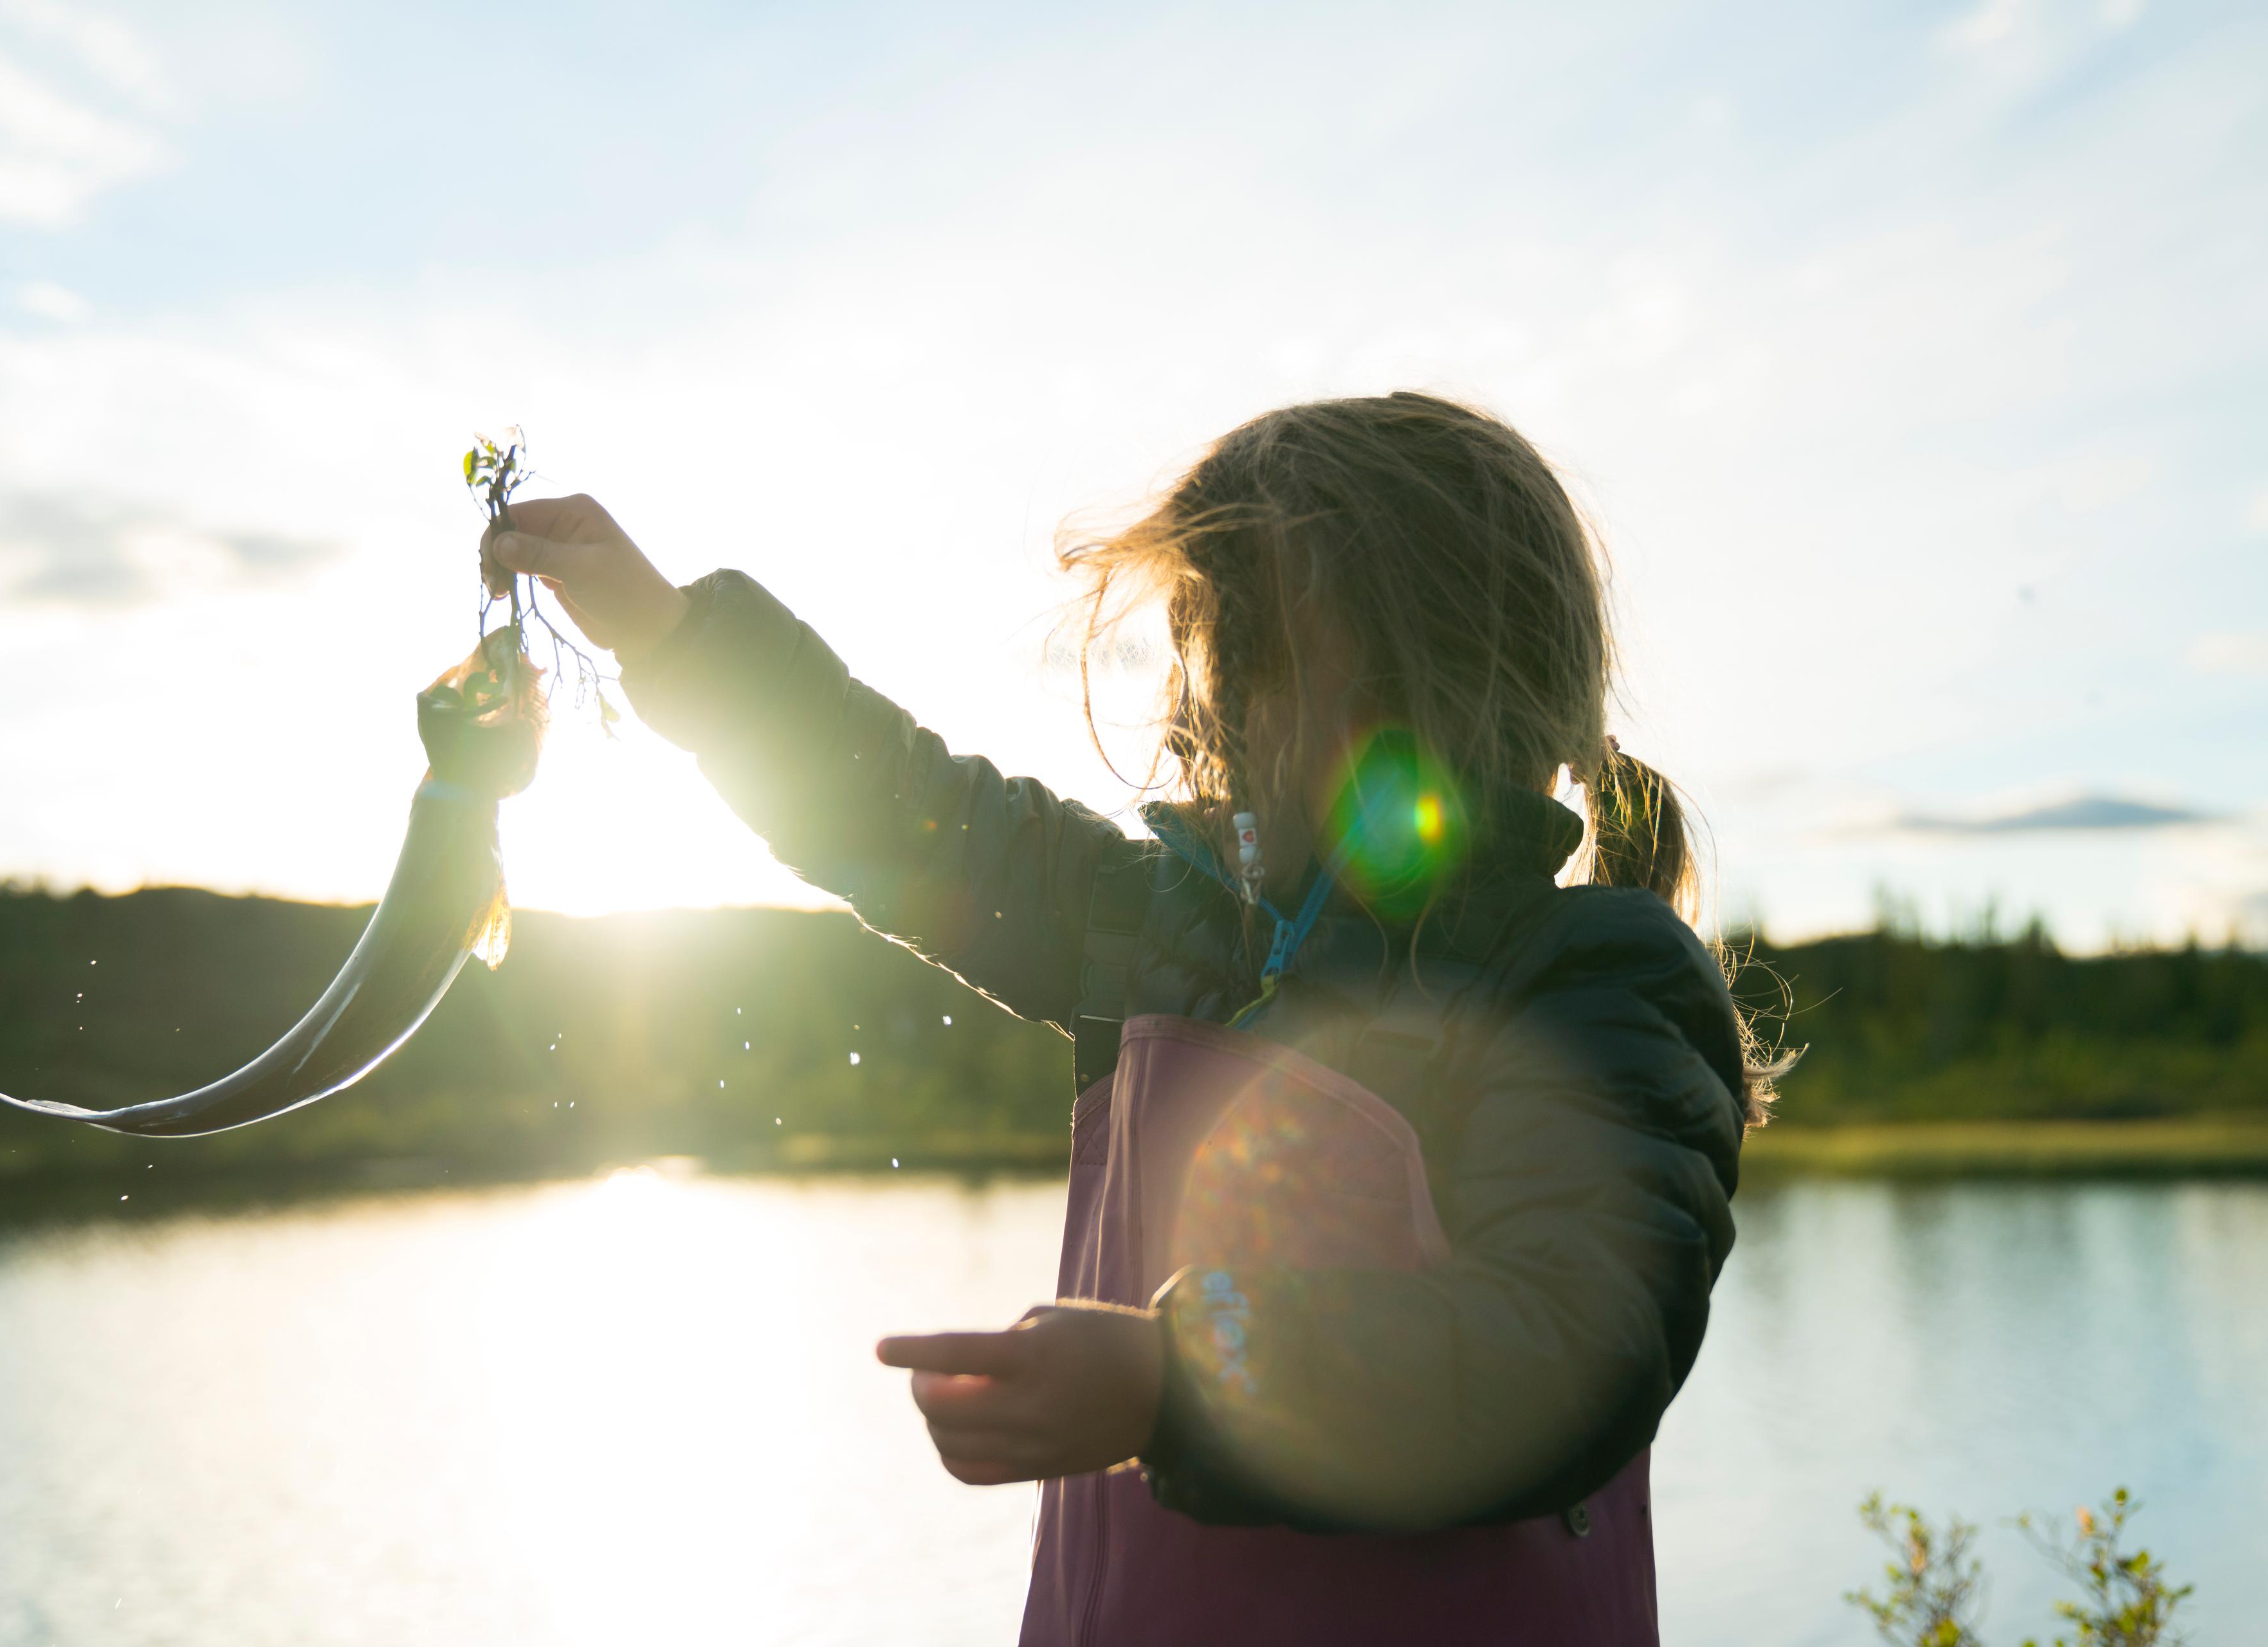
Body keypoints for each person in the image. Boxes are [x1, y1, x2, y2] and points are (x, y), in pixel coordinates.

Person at [486, 392, 1771, 1644]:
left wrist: (1179, 1381)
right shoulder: (1168, 934)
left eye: (1251, 653)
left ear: (1420, 691)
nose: (1200, 706)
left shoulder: (1592, 980)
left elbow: (1560, 1355)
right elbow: (914, 816)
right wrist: (667, 637)